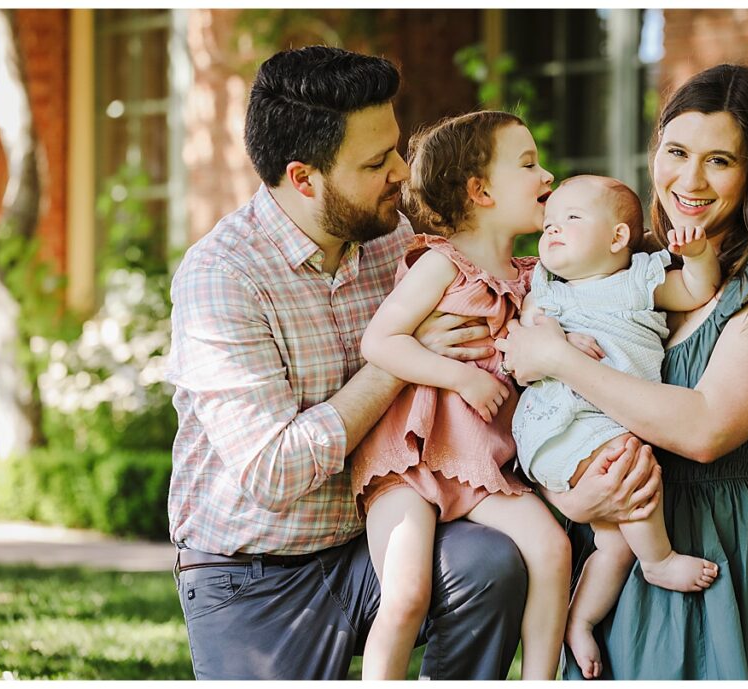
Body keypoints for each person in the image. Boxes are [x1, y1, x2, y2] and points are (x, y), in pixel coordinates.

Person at [496, 63, 748, 679]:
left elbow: (705, 429)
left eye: (719, 160)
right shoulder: (631, 264)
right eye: (676, 152)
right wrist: (568, 495)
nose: (690, 180)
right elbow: (549, 413)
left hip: (720, 547)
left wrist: (558, 356)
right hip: (615, 545)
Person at [166, 46, 531, 681]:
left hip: (378, 538)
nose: (401, 172)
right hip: (253, 575)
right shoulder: (222, 277)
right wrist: (404, 360)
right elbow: (274, 471)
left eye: (395, 149)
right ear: (304, 178)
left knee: (490, 562)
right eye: (375, 162)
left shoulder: (398, 242)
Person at [350, 110, 570, 680]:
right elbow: (380, 341)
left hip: (480, 465)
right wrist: (461, 377)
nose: (546, 175)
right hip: (411, 462)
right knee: (406, 595)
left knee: (552, 549)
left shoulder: (535, 278)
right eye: (528, 164)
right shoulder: (442, 265)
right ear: (481, 191)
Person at [511, 174, 721, 679]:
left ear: (617, 237)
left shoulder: (636, 282)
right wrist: (559, 340)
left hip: (591, 426)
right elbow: (523, 346)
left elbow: (697, 290)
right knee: (632, 466)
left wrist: (697, 255)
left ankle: (580, 619)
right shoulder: (546, 290)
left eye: (571, 219)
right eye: (549, 223)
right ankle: (660, 560)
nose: (552, 229)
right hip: (562, 420)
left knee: (617, 540)